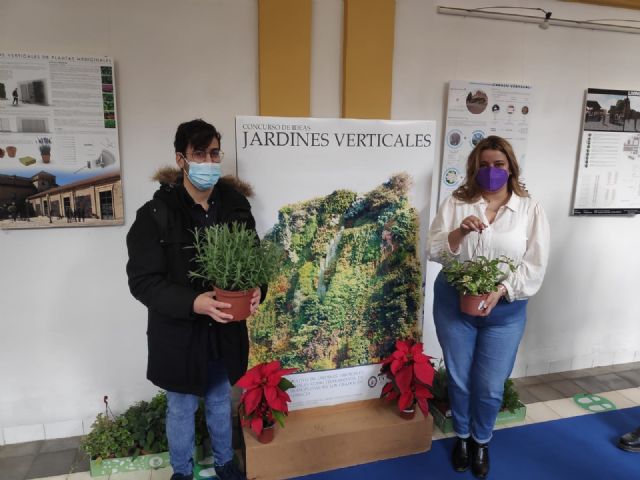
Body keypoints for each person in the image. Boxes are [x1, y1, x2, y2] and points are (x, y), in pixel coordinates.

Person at [126, 119, 262, 480]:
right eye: (199, 153)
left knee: (219, 400)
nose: (209, 161)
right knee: (181, 406)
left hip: (223, 330)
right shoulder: (155, 214)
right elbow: (143, 281)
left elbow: (253, 258)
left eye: (215, 153)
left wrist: (257, 288)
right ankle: (182, 472)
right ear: (181, 159)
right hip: (179, 333)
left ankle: (224, 463)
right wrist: (193, 302)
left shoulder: (234, 205)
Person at [426, 136, 550, 478]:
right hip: (455, 304)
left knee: (491, 384)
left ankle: (482, 440)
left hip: (505, 312)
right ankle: (462, 437)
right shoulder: (458, 201)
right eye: (483, 165)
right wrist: (459, 233)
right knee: (461, 379)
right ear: (473, 168)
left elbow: (535, 263)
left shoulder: (530, 208)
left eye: (498, 164)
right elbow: (435, 249)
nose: (491, 171)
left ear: (510, 166)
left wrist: (503, 289)